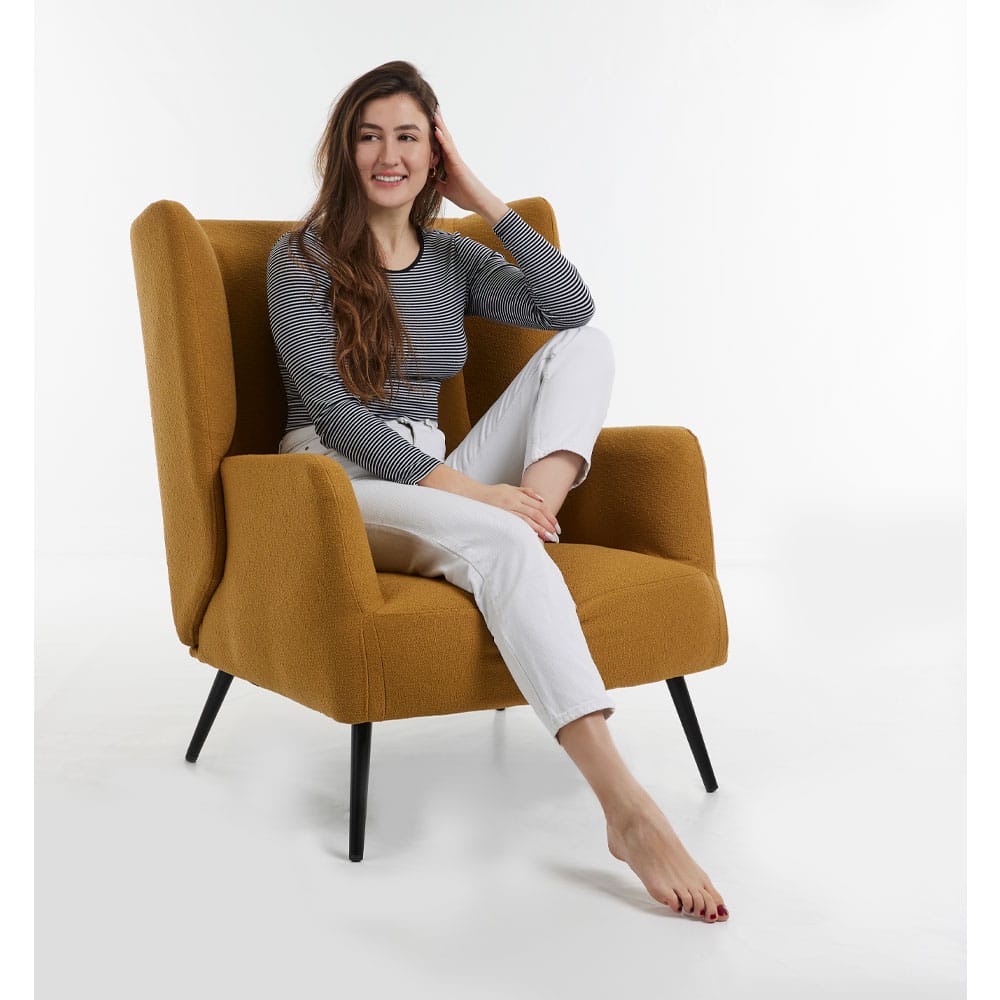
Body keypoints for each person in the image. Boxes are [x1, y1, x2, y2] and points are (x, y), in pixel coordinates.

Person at [266, 59, 729, 923]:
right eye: (370, 137)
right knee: (498, 533)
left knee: (587, 347)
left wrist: (482, 197)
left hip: (440, 472)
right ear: (343, 150)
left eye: (409, 137)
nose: (388, 155)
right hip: (336, 484)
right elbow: (332, 411)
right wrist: (476, 498)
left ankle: (536, 511)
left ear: (435, 152)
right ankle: (627, 810)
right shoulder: (300, 260)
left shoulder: (451, 254)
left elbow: (569, 305)